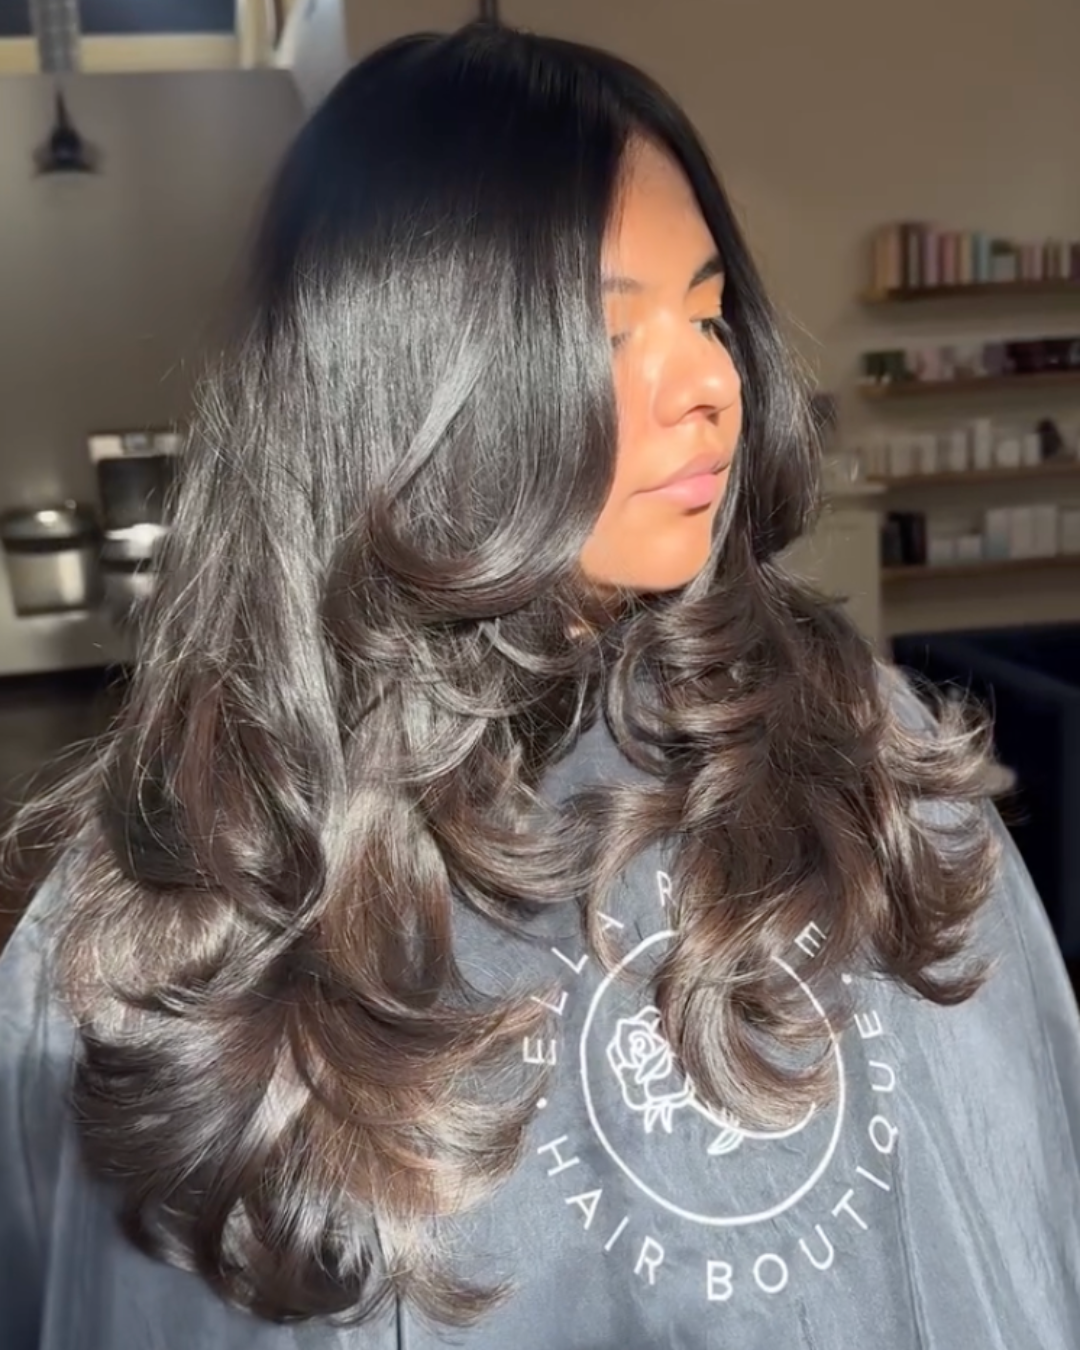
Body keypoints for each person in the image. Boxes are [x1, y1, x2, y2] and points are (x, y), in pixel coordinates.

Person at [2, 21, 1079, 1350]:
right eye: (617, 332)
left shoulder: (854, 739)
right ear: (418, 390)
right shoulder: (191, 904)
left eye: (705, 309)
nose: (713, 382)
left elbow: (1005, 1210)